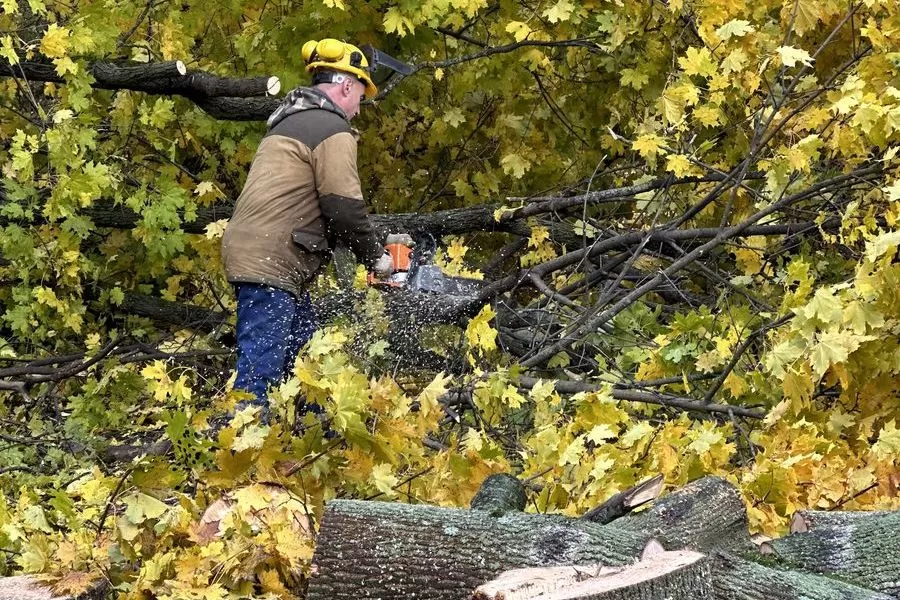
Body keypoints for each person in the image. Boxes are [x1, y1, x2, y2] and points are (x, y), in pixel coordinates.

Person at [221, 38, 394, 425]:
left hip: (266, 255)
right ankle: (238, 460)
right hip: (271, 261)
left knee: (306, 361)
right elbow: (343, 207)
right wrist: (377, 259)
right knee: (261, 374)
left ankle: (315, 441)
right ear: (347, 86)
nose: (358, 110)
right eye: (360, 99)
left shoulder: (292, 120)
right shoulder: (330, 126)